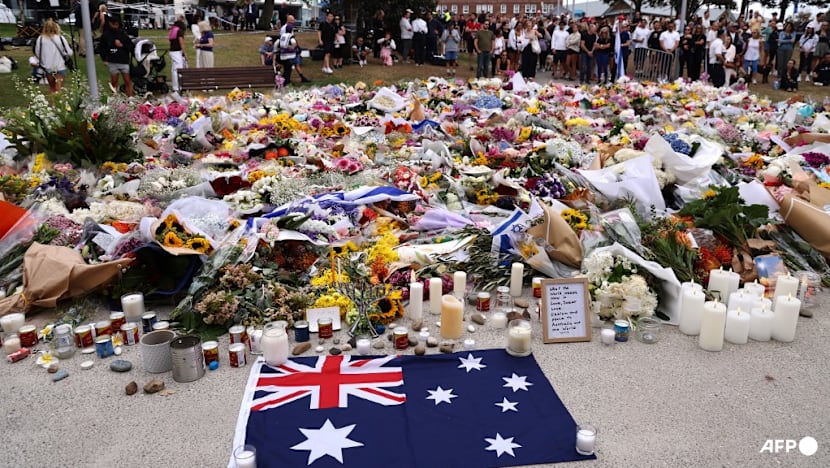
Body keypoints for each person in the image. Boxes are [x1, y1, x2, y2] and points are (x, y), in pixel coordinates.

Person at [34, 19, 70, 94]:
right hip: (60, 66)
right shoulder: (60, 38)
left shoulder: (40, 39)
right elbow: (69, 52)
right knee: (59, 88)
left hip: (47, 66)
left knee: (52, 88)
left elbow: (37, 52)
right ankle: (58, 104)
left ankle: (52, 105)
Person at [99, 15, 132, 96]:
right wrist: (104, 59)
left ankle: (131, 98)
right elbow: (101, 48)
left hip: (123, 60)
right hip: (112, 61)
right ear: (110, 23)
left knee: (127, 81)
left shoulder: (123, 34)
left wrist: (122, 45)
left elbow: (131, 46)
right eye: (113, 23)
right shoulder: (106, 35)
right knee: (114, 82)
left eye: (116, 23)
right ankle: (114, 99)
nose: (115, 25)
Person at [168, 15, 187, 93]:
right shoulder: (179, 31)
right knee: (179, 69)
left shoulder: (173, 30)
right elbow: (181, 43)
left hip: (172, 51)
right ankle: (178, 86)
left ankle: (175, 86)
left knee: (174, 69)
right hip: (177, 51)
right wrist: (184, 53)